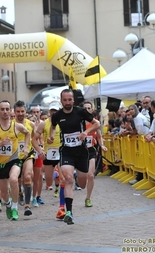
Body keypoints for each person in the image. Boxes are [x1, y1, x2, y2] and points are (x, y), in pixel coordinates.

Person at [48, 89, 100, 225]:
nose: (67, 102)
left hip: (82, 153)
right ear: (61, 101)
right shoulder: (57, 115)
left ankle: (78, 175)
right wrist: (51, 136)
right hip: (67, 152)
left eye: (69, 100)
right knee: (68, 179)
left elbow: (97, 124)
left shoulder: (80, 112)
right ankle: (69, 212)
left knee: (82, 184)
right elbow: (52, 127)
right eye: (64, 100)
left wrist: (85, 132)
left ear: (73, 100)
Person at [0, 100, 30, 221]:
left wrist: (25, 148)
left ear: (10, 111)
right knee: (4, 194)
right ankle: (8, 204)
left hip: (14, 159)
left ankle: (15, 207)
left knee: (14, 179)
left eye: (7, 109)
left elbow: (28, 133)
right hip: (0, 164)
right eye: (2, 109)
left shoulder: (17, 126)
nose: (5, 112)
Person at [13, 101, 36, 216]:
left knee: (27, 176)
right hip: (14, 156)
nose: (20, 113)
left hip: (28, 155)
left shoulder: (31, 125)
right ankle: (20, 192)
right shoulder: (11, 125)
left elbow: (35, 138)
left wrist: (40, 148)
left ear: (26, 112)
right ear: (14, 112)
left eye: (22, 111)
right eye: (18, 111)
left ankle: (27, 205)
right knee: (16, 179)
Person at [82, 102, 107, 208]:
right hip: (79, 151)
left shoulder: (95, 122)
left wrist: (102, 145)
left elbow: (99, 136)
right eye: (85, 108)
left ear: (91, 110)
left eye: (89, 108)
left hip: (90, 150)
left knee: (91, 175)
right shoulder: (78, 121)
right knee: (82, 177)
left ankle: (88, 198)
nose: (87, 110)